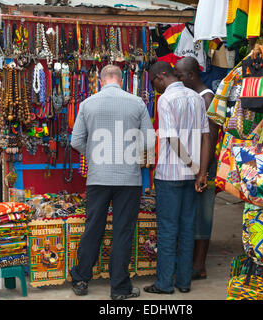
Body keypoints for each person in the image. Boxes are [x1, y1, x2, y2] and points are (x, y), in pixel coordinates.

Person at [70, 64, 155, 300]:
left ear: (100, 79)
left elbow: (76, 141)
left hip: (98, 176)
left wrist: (96, 153)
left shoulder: (88, 103)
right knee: (123, 231)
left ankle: (80, 278)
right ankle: (119, 288)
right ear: (121, 79)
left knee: (93, 226)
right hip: (128, 178)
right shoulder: (137, 102)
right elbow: (148, 140)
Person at [144, 61, 211, 295]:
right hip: (192, 177)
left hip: (170, 175)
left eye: (154, 84)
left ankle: (164, 284)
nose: (155, 89)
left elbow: (171, 139)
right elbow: (206, 137)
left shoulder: (165, 100)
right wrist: (200, 172)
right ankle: (183, 282)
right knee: (186, 229)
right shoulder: (196, 97)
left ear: (160, 77)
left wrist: (194, 167)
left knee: (167, 230)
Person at [174, 56, 219, 280]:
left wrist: (203, 171)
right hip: (197, 163)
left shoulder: (207, 98)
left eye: (180, 76)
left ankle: (199, 265)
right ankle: (193, 261)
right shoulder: (196, 97)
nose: (177, 80)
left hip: (205, 165)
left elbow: (210, 136)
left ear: (190, 76)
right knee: (194, 213)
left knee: (203, 215)